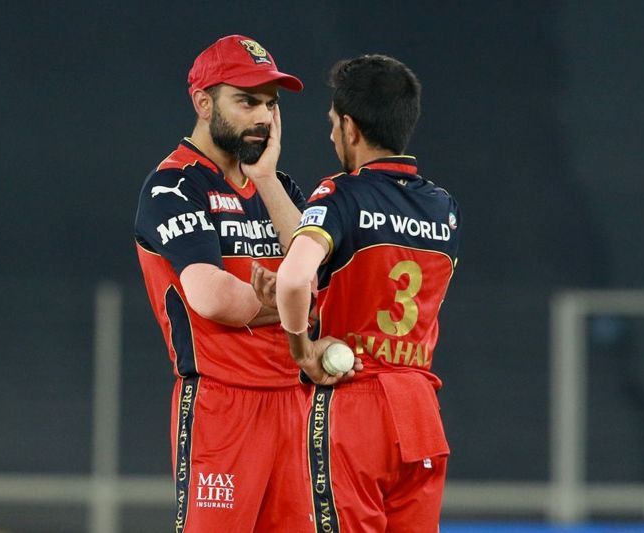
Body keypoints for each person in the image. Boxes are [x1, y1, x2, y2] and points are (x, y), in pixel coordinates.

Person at [133, 35, 315, 532]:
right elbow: (214, 298)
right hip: (221, 404)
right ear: (203, 102)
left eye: (271, 104)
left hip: (293, 403)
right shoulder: (174, 184)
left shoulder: (280, 187)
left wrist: (270, 182)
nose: (263, 117)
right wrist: (294, 298)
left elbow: (319, 286)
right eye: (247, 101)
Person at [275, 55, 461, 532]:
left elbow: (295, 280)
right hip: (419, 410)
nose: (332, 136)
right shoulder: (444, 209)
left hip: (354, 400)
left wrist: (303, 348)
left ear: (351, 127)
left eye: (333, 125)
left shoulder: (339, 196)